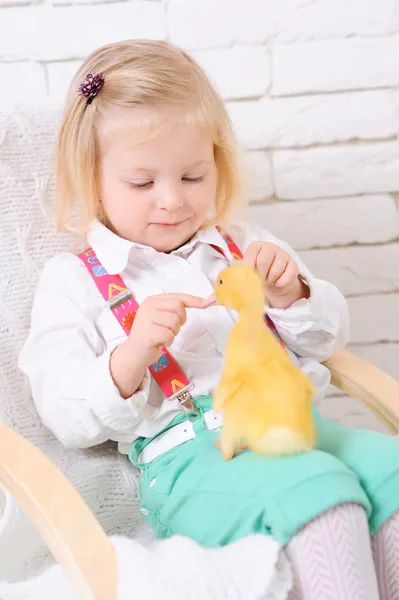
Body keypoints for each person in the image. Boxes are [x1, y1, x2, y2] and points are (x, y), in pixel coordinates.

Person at [19, 40, 399, 599]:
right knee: (321, 491)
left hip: (298, 428)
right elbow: (63, 410)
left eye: (193, 176)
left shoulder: (242, 245)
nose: (172, 200)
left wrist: (292, 291)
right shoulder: (74, 279)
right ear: (91, 176)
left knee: (390, 468)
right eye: (143, 183)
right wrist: (132, 355)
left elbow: (326, 337)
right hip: (193, 463)